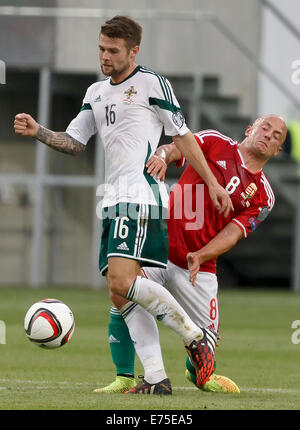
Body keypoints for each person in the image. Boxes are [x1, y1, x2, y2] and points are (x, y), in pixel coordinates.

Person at [14, 16, 233, 393]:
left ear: (133, 51)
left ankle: (194, 336)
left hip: (140, 197)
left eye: (113, 51)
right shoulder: (96, 92)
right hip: (113, 200)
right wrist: (39, 132)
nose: (105, 56)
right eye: (101, 49)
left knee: (122, 281)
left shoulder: (152, 83)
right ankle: (156, 379)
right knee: (120, 291)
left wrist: (212, 183)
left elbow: (183, 137)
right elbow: (75, 141)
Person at [95, 114, 287, 395]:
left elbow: (233, 233)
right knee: (121, 290)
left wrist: (201, 254)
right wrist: (161, 155)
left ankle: (195, 370)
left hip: (199, 267)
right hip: (160, 246)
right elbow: (175, 148)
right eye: (265, 128)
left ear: (277, 150)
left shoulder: (263, 195)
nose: (269, 135)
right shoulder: (214, 141)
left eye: (276, 136)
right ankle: (127, 377)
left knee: (204, 359)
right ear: (250, 130)